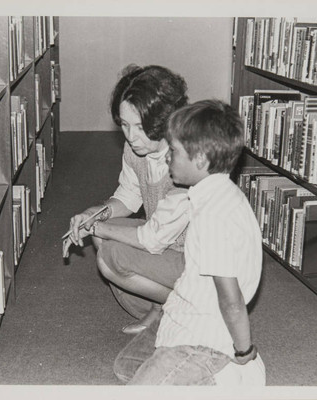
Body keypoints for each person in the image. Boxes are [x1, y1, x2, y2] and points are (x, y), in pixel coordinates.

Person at [108, 99, 264, 385]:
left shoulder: (215, 216)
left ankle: (229, 373)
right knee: (126, 367)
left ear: (201, 160)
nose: (168, 157)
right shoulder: (215, 193)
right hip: (182, 313)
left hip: (203, 339)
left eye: (175, 152)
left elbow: (231, 301)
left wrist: (245, 351)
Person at [65, 65, 190, 334]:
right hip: (165, 240)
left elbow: (154, 239)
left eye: (140, 127)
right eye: (124, 124)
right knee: (102, 237)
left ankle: (191, 310)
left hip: (196, 258)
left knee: (110, 254)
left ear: (166, 119)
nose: (131, 137)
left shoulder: (188, 157)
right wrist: (93, 215)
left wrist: (97, 226)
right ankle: (161, 309)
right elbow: (128, 196)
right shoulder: (136, 147)